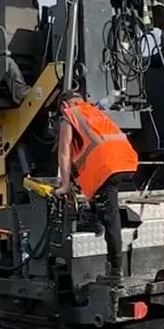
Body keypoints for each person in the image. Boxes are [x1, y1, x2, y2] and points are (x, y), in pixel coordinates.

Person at [53, 91, 140, 279]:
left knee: (111, 218)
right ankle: (94, 212)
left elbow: (64, 153)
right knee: (104, 201)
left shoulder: (69, 115)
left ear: (65, 106)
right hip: (128, 162)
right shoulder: (94, 111)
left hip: (107, 167)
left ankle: (115, 270)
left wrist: (65, 185)